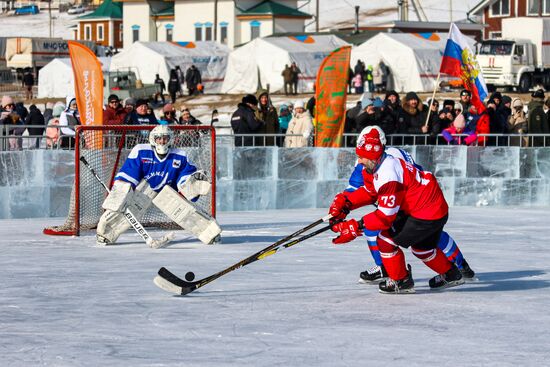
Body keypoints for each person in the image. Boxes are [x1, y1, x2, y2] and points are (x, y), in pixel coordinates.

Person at [329, 126, 466, 293]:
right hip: (431, 207)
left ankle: (401, 281)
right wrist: (347, 202)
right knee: (422, 249)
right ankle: (452, 275)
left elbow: (384, 217)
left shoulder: (388, 174)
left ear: (372, 157)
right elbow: (371, 192)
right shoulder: (376, 165)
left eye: (362, 157)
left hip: (425, 212)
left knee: (385, 240)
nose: (359, 161)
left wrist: (354, 226)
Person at [96, 125, 221, 247]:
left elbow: (185, 177)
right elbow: (130, 172)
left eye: (165, 138)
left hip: (168, 191)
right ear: (153, 139)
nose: (162, 141)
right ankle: (105, 233)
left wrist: (192, 185)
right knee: (126, 207)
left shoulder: (180, 155)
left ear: (170, 139)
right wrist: (122, 190)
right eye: (159, 138)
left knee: (184, 212)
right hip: (145, 189)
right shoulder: (141, 151)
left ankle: (210, 233)